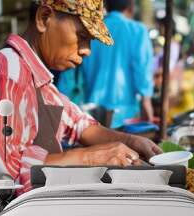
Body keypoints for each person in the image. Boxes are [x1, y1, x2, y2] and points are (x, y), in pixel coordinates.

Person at [0, 0, 162, 216]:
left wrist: (131, 142)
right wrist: (89, 158)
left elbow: (80, 125)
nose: (87, 51)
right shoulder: (6, 73)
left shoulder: (40, 82)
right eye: (82, 37)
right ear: (44, 18)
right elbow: (4, 174)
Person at [59, 0, 155, 128]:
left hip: (93, 113)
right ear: (131, 6)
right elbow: (142, 70)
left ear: (105, 6)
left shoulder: (92, 28)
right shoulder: (137, 30)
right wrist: (146, 101)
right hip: (125, 116)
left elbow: (69, 76)